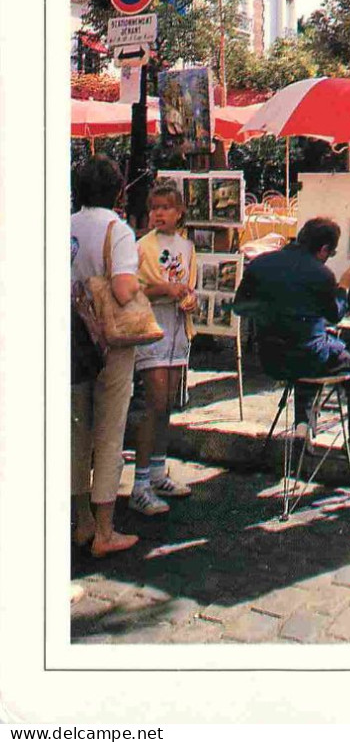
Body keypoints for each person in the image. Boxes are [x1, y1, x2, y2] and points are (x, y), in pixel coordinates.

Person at [233, 217, 350, 448]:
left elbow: (240, 306)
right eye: (331, 253)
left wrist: (274, 311)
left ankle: (302, 427)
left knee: (312, 346)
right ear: (323, 250)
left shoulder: (260, 264)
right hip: (307, 358)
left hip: (271, 358)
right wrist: (343, 287)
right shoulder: (321, 274)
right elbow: (335, 315)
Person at [70, 157, 141, 557]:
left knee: (76, 430)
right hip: (109, 342)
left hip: (71, 338)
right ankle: (105, 530)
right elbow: (125, 288)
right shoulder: (118, 230)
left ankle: (80, 521)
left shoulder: (65, 223)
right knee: (110, 430)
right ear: (118, 189)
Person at [130, 182, 197, 515]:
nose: (159, 213)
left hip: (177, 331)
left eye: (166, 208)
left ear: (179, 212)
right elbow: (136, 287)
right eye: (154, 207)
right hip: (151, 328)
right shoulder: (142, 246)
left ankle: (158, 471)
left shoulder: (186, 246)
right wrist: (166, 289)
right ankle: (139, 483)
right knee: (154, 402)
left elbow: (190, 285)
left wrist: (188, 297)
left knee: (168, 402)